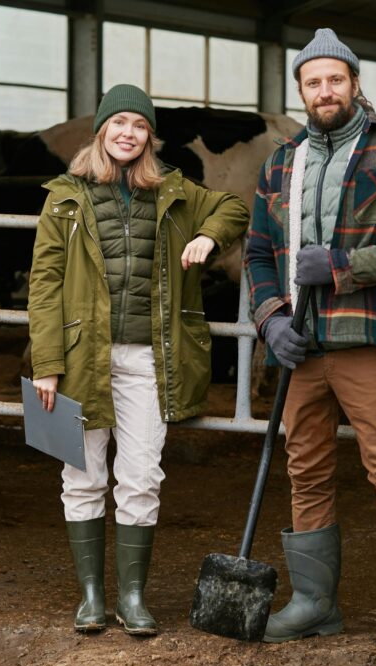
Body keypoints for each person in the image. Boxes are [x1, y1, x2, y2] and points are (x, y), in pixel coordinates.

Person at [244, 29, 376, 659]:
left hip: (368, 335)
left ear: (354, 83)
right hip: (300, 343)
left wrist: (342, 266)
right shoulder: (282, 162)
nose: (324, 91)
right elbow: (256, 252)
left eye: (335, 79)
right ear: (300, 91)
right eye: (312, 82)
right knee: (306, 470)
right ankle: (314, 603)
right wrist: (271, 316)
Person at [28, 84, 248, 636]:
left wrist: (206, 236)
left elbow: (235, 207)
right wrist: (46, 363)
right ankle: (91, 597)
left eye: (140, 124)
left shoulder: (173, 190)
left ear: (150, 135)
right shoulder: (64, 196)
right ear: (101, 129)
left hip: (151, 358)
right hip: (80, 358)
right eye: (119, 121)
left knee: (142, 474)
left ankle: (131, 597)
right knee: (80, 474)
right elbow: (45, 285)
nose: (129, 132)